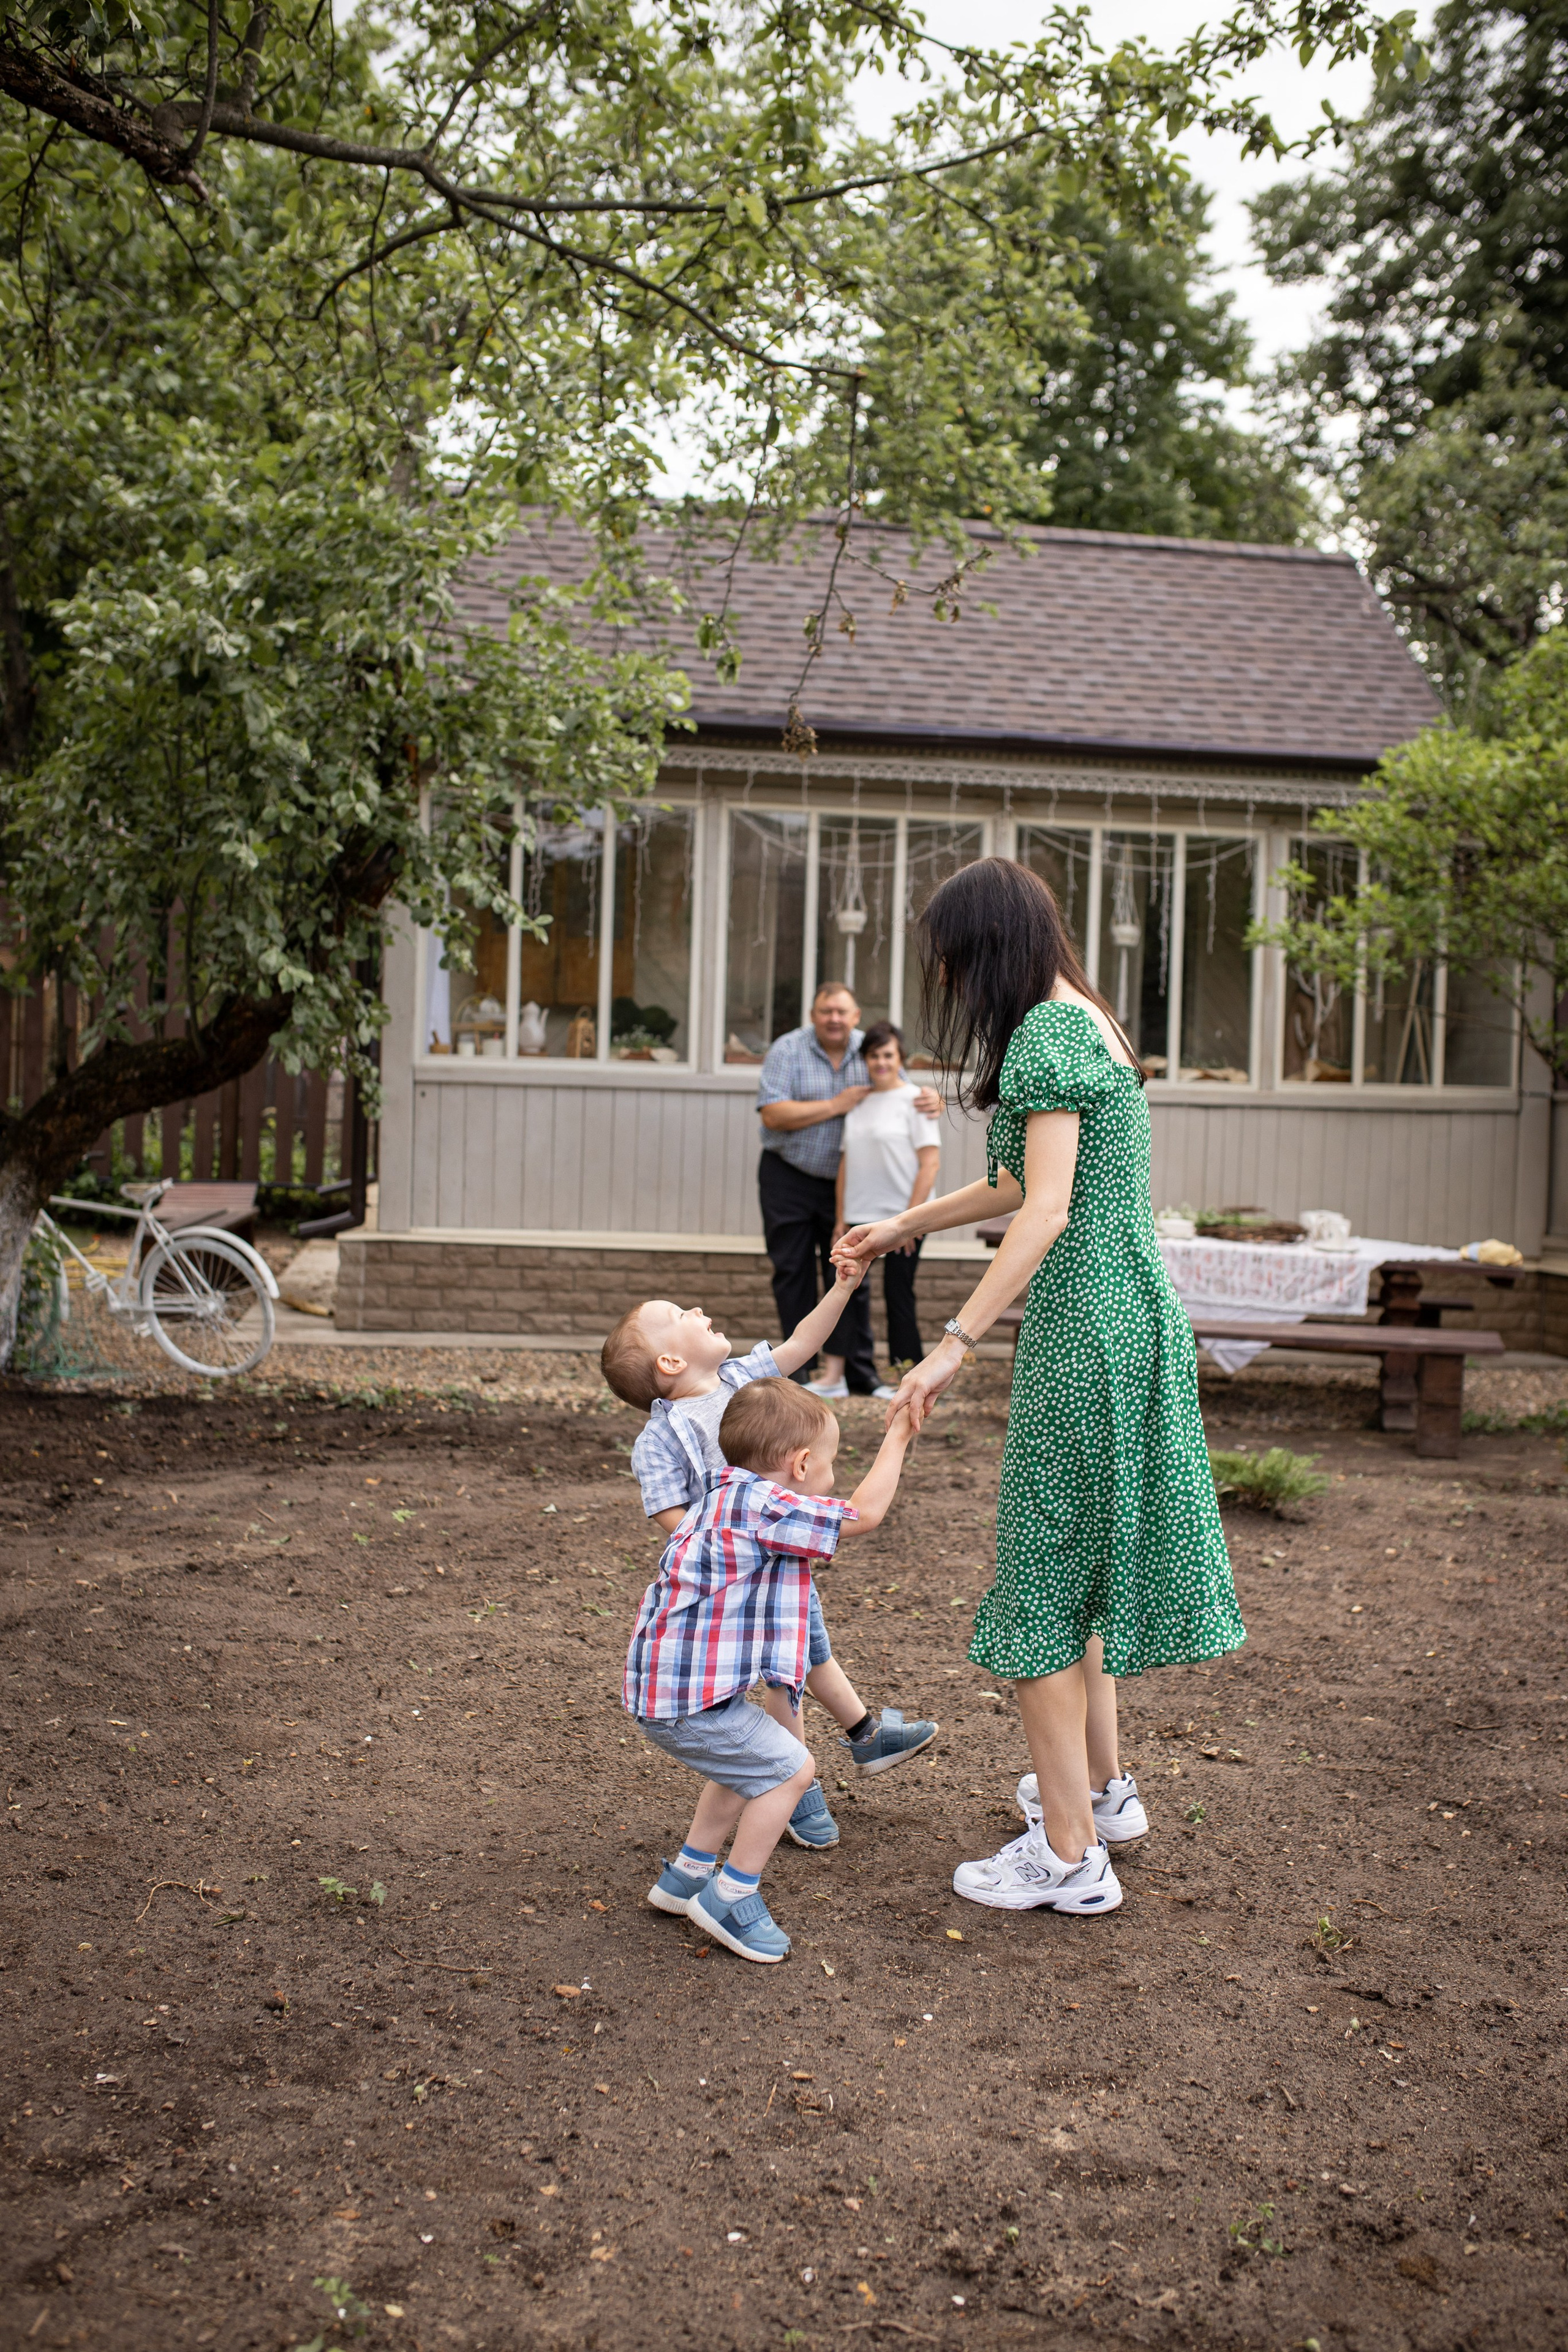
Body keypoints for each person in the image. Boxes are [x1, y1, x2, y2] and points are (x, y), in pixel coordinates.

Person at [834, 857, 1245, 1918]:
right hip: (1129, 1315)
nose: (950, 981)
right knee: (1081, 1576)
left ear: (986, 950)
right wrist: (903, 1227)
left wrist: (953, 1344)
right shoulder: (1088, 1018)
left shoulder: (1045, 1036)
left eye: (952, 959)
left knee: (1039, 1587)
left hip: (1087, 1330)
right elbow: (1021, 1177)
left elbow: (1046, 1210)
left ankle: (1067, 1856)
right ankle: (1104, 1799)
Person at [599, 1273, 940, 1849]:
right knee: (786, 1671)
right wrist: (725, 1556)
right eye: (681, 1312)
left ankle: (858, 1737)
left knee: (809, 1650)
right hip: (736, 1575)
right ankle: (797, 1786)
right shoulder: (660, 1439)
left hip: (784, 1548)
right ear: (672, 1361)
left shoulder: (741, 1379)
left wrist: (842, 1289)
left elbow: (802, 1345)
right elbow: (670, 1514)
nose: (698, 1306)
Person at [624, 1378, 918, 1962]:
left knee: (746, 1766)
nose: (833, 1472)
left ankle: (685, 1878)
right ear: (802, 1464)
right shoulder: (765, 1507)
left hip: (674, 1694)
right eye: (831, 1462)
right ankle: (732, 1896)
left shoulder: (724, 1492)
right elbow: (866, 1513)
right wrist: (901, 1435)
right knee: (790, 1770)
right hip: (686, 1703)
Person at [756, 982, 943, 1399]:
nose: (834, 1019)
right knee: (792, 1270)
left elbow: (905, 1094)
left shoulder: (872, 1047)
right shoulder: (788, 1050)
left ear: (855, 1015)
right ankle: (799, 1370)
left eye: (842, 1012)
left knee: (843, 1273)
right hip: (790, 1175)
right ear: (813, 1014)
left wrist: (935, 1100)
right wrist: (836, 1105)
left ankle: (856, 1373)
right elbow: (772, 1114)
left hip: (848, 1186)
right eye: (826, 1012)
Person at [834, 1019, 941, 1370]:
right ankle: (852, 1372)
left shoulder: (917, 1101)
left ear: (901, 1058)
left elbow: (930, 1164)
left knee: (898, 1294)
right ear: (865, 1060)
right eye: (873, 1056)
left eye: (888, 1055)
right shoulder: (859, 1104)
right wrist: (840, 1219)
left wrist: (909, 1222)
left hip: (902, 1217)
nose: (881, 1062)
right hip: (859, 1214)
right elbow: (846, 1165)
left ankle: (907, 1368)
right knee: (850, 1292)